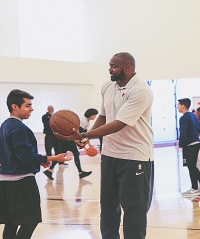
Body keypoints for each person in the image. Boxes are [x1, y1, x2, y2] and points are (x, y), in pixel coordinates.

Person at [55, 52, 154, 239]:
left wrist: (85, 134)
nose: (110, 69)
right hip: (110, 155)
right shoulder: (107, 86)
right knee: (108, 207)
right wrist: (86, 138)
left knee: (134, 211)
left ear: (128, 68)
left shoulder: (141, 90)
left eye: (114, 66)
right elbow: (103, 115)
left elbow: (119, 123)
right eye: (109, 65)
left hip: (135, 157)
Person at [0, 89, 72, 239]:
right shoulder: (19, 128)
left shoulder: (5, 125)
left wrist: (38, 160)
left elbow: (0, 153)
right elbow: (25, 157)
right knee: (30, 221)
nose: (32, 109)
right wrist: (53, 158)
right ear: (14, 107)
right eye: (28, 105)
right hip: (22, 182)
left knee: (11, 223)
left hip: (5, 182)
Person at [178, 99, 200, 196]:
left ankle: (195, 187)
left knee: (190, 166)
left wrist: (181, 144)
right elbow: (197, 129)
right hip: (196, 142)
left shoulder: (184, 118)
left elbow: (183, 132)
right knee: (191, 165)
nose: (177, 107)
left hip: (190, 144)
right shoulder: (193, 116)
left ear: (183, 106)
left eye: (178, 105)